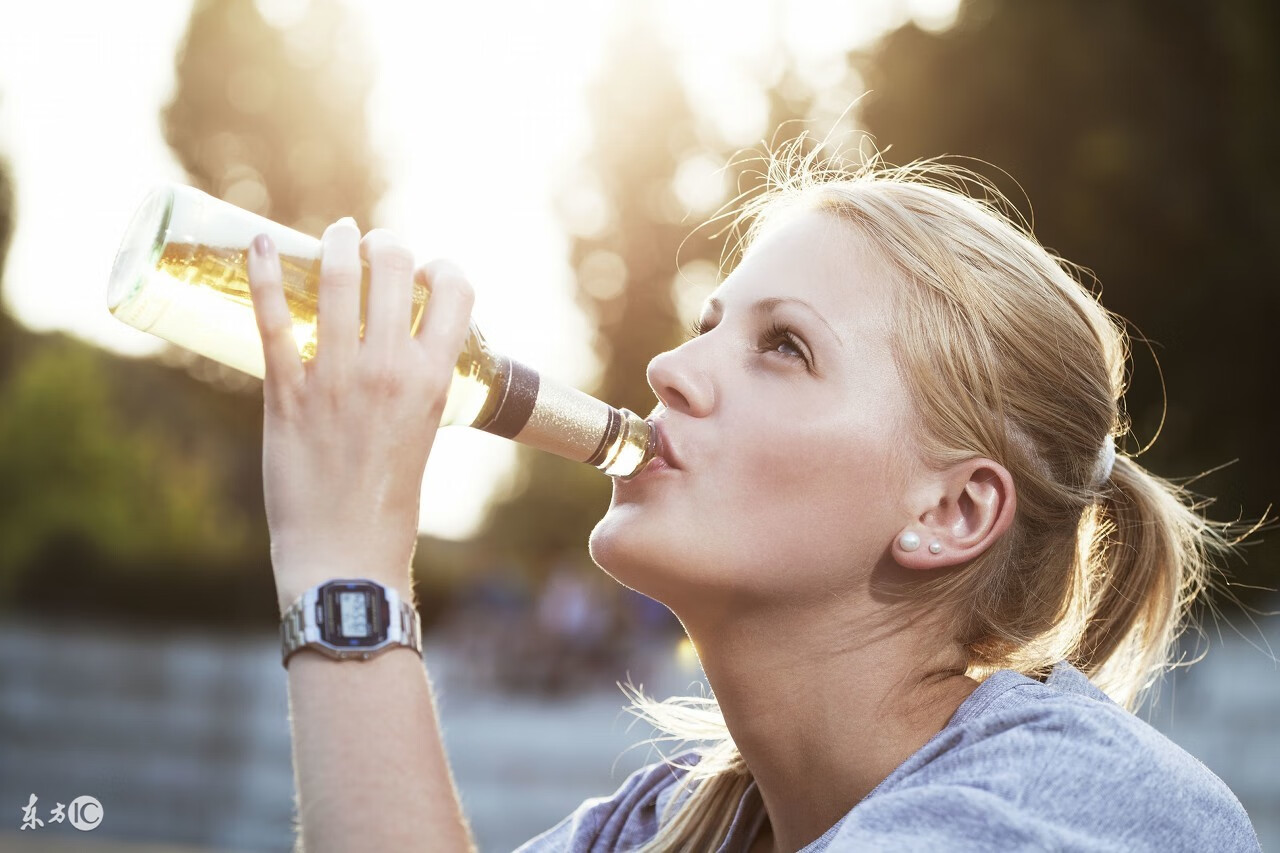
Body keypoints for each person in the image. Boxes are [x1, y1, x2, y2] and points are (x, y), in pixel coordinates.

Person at [245, 154, 1263, 852]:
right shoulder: (656, 829)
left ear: (950, 511)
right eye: (706, 325)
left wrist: (348, 564)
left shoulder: (1067, 813)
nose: (667, 367)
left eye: (784, 346)